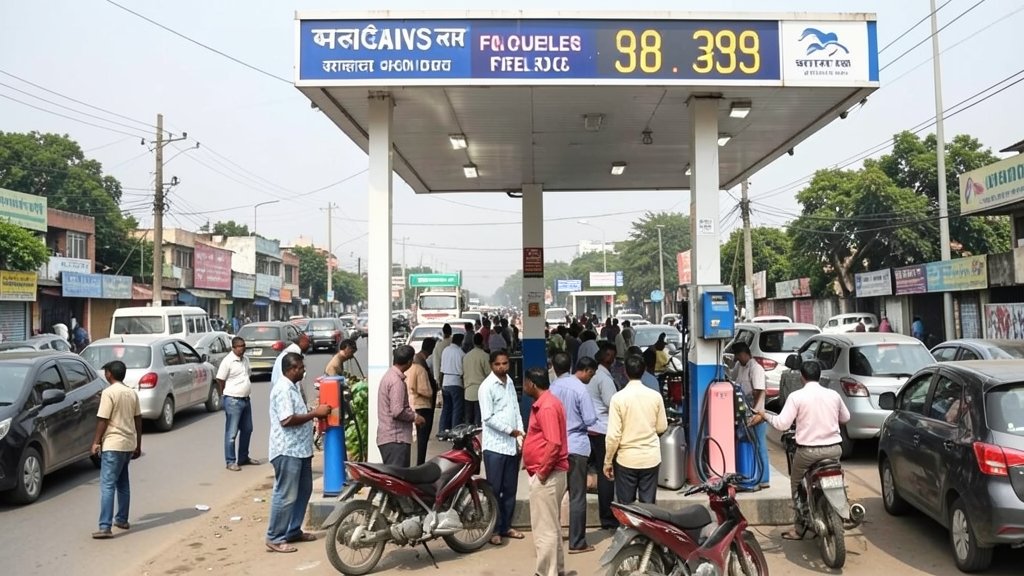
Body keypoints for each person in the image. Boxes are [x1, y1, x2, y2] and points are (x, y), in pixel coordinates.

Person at [749, 360, 850, 540]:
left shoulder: (797, 397)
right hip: (834, 450)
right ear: (819, 375)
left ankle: (798, 528)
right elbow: (846, 417)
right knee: (839, 477)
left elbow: (782, 424)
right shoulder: (833, 395)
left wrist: (764, 415)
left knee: (796, 485)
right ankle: (843, 506)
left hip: (808, 453)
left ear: (802, 377)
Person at [266, 353, 331, 553]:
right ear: (291, 369)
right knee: (286, 494)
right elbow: (287, 420)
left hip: (301, 450)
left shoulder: (293, 387)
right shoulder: (283, 389)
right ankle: (275, 537)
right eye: (301, 368)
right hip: (287, 450)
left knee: (303, 491)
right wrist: (315, 413)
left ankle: (293, 530)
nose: (303, 371)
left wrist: (312, 411)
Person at [549, 353, 598, 554]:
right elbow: (590, 419)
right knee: (577, 496)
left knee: (554, 495)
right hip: (577, 447)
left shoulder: (552, 388)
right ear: (584, 370)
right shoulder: (580, 389)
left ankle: (552, 538)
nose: (591, 378)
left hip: (556, 447)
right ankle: (577, 542)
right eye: (591, 374)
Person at [522, 367, 569, 576]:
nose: (524, 386)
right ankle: (556, 570)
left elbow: (553, 443)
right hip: (548, 473)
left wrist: (541, 473)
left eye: (525, 382)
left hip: (548, 476)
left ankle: (546, 573)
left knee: (544, 530)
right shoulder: (547, 403)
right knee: (551, 527)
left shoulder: (547, 407)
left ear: (531, 383)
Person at [604, 355, 668, 505]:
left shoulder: (618, 399)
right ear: (644, 370)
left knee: (626, 506)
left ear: (625, 372)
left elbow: (613, 436)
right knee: (648, 507)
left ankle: (629, 529)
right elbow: (662, 427)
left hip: (627, 459)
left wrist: (607, 462)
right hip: (651, 458)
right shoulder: (655, 397)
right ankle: (647, 529)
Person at [91, 360, 142, 539]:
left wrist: (96, 442)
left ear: (109, 374)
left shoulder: (108, 393)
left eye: (106, 372)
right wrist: (138, 444)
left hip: (113, 444)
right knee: (123, 483)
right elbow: (138, 419)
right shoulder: (131, 393)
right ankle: (121, 519)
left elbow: (103, 419)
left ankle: (105, 526)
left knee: (107, 485)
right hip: (128, 444)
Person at [479, 349, 526, 545]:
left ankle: (506, 526)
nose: (502, 367)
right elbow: (487, 418)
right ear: (491, 365)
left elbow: (516, 410)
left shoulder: (509, 384)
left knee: (510, 490)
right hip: (495, 447)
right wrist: (511, 431)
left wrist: (521, 434)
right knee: (494, 491)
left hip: (511, 446)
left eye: (505, 363)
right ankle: (494, 530)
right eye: (498, 364)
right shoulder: (487, 386)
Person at [587, 343, 620, 529]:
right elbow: (612, 404)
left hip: (591, 429)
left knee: (598, 470)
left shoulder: (593, 375)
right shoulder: (605, 379)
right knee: (607, 473)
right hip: (603, 430)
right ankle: (607, 517)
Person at [216, 336, 261, 471]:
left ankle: (243, 457)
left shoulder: (245, 360)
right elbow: (220, 379)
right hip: (233, 400)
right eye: (240, 346)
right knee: (231, 433)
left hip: (245, 399)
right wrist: (224, 395)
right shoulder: (228, 361)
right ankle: (230, 461)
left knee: (247, 429)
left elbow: (248, 375)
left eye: (244, 346)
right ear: (233, 347)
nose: (243, 348)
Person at [730, 341, 769, 490]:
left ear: (744, 354)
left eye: (738, 355)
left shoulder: (756, 368)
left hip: (756, 412)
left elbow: (760, 390)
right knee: (750, 445)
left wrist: (754, 411)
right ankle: (752, 475)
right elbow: (732, 379)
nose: (737, 358)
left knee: (759, 445)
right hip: (743, 411)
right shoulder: (739, 366)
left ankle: (764, 479)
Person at [378, 345, 424, 467]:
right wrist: (415, 417)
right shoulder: (396, 382)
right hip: (395, 439)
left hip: (390, 437)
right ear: (409, 362)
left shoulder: (390, 376)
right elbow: (397, 411)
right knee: (397, 480)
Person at [412, 337, 439, 465]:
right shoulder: (420, 366)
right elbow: (425, 390)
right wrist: (432, 391)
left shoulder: (419, 361)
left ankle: (420, 462)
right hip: (422, 404)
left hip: (420, 404)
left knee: (421, 437)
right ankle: (420, 463)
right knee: (422, 437)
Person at [439, 333, 466, 432]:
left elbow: (441, 368)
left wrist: (440, 383)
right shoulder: (461, 352)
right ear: (461, 341)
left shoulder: (445, 350)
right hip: (456, 382)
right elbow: (463, 370)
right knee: (457, 409)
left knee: (446, 408)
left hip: (445, 381)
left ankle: (442, 431)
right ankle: (454, 431)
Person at [463, 333, 490, 427]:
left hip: (468, 392)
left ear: (473, 342)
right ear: (482, 342)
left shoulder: (466, 356)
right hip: (480, 392)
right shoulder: (485, 356)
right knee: (479, 421)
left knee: (468, 420)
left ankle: (468, 439)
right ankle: (478, 439)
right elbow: (489, 374)